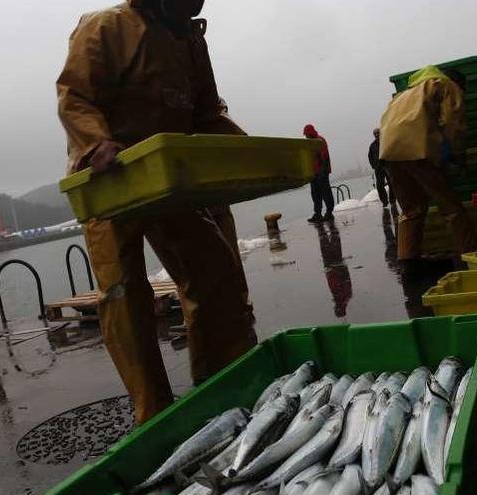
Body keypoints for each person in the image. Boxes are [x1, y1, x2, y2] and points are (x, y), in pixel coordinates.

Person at [56, 0, 257, 424]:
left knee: (214, 270)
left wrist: (250, 151)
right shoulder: (106, 27)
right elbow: (74, 96)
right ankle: (152, 411)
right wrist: (96, 143)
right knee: (123, 293)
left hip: (168, 180)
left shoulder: (189, 39)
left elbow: (207, 113)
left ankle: (218, 384)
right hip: (108, 183)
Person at [378, 65, 477, 265]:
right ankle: (470, 256)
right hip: (418, 149)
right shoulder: (445, 84)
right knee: (451, 208)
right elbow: (453, 123)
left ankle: (408, 263)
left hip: (389, 153)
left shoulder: (402, 95)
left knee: (410, 210)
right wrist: (459, 157)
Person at [304, 124, 335, 223]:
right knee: (315, 194)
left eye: (307, 134)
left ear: (311, 133)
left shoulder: (320, 140)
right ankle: (318, 214)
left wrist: (323, 171)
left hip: (322, 171)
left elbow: (324, 157)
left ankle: (329, 212)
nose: (306, 136)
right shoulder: (309, 143)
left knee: (326, 192)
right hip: (314, 173)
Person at [367, 128, 391, 206]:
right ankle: (384, 201)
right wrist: (373, 166)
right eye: (375, 134)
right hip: (378, 168)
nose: (377, 135)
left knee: (391, 183)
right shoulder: (372, 146)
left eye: (378, 133)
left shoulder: (386, 142)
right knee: (379, 186)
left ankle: (393, 200)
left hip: (387, 166)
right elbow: (370, 157)